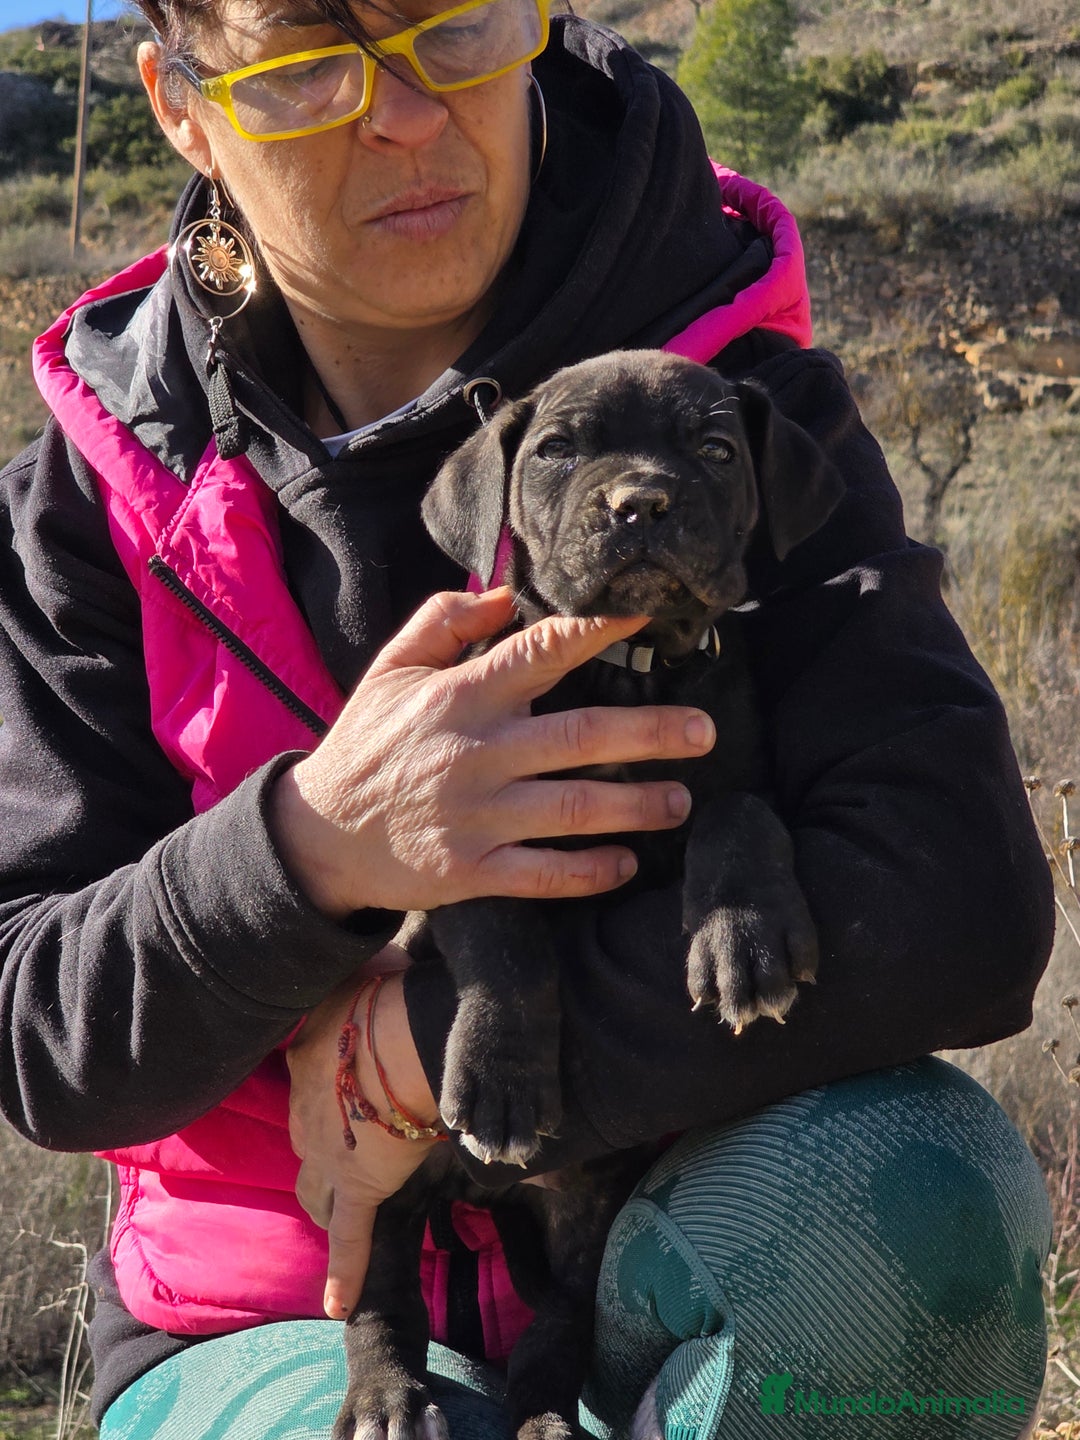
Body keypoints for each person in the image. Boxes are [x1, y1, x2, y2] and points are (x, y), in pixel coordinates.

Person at [0, 0, 1056, 1433]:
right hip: (282, 1299)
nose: (411, 114)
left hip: (679, 1208)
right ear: (184, 107)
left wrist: (430, 1045)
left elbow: (959, 906)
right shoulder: (87, 499)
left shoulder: (746, 406)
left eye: (455, 26)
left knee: (925, 1194)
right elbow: (35, 1026)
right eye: (309, 63)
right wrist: (309, 850)